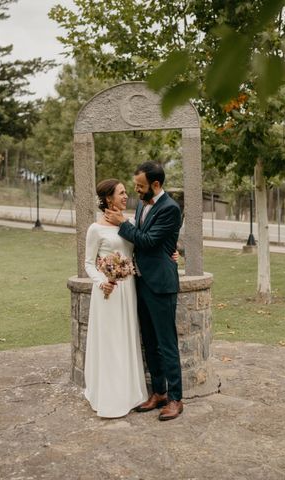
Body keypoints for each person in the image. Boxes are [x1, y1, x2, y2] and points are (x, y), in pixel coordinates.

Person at [104, 161, 184, 421]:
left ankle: (175, 399)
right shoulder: (141, 205)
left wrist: (121, 223)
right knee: (150, 343)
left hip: (161, 284)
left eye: (140, 186)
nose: (136, 191)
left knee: (167, 344)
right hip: (142, 282)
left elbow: (148, 241)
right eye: (135, 186)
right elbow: (142, 236)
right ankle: (159, 392)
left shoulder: (171, 208)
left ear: (156, 184)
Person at [83, 179, 148, 418]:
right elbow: (88, 263)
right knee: (110, 341)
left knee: (126, 338)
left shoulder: (128, 223)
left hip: (128, 289)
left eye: (125, 192)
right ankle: (110, 396)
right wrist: (102, 282)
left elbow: (141, 246)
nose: (125, 196)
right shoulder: (95, 229)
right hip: (108, 292)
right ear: (108, 198)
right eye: (121, 193)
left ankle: (130, 393)